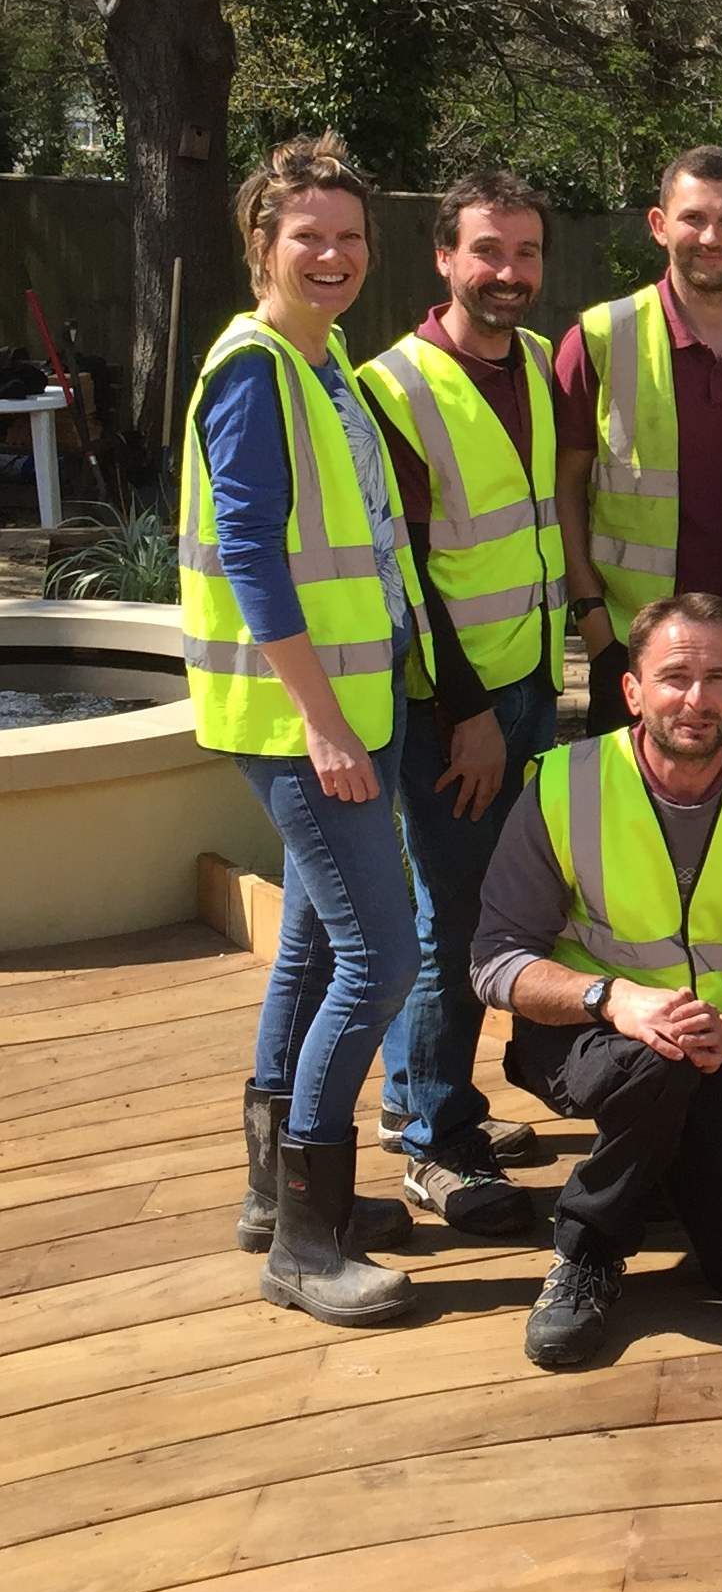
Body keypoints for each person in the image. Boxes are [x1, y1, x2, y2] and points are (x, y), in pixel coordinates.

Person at [178, 131, 425, 1329]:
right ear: (261, 244)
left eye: (348, 237)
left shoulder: (320, 364)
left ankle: (277, 1200)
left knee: (317, 950)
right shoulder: (255, 369)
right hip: (302, 722)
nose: (331, 255)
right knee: (385, 953)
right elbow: (253, 558)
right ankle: (309, 1241)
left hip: (342, 711)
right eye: (306, 236)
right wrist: (323, 724)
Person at [471, 593, 722, 1369]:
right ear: (633, 691)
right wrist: (615, 1000)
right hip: (585, 1037)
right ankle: (586, 1251)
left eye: (718, 677)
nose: (697, 698)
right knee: (655, 1057)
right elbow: (495, 960)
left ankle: (675, 1173)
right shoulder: (562, 786)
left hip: (719, 1051)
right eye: (674, 676)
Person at [357, 171, 563, 1242]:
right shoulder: (391, 386)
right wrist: (466, 707)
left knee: (481, 905)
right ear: (444, 257)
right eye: (489, 252)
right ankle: (437, 1144)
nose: (509, 273)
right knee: (455, 923)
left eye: (526, 253)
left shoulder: (535, 364)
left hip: (531, 677)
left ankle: (416, 1098)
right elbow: (405, 575)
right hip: (454, 707)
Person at [553, 144, 722, 755]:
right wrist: (595, 626)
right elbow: (564, 488)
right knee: (627, 837)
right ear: (658, 225)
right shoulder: (599, 337)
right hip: (637, 653)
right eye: (693, 218)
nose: (711, 236)